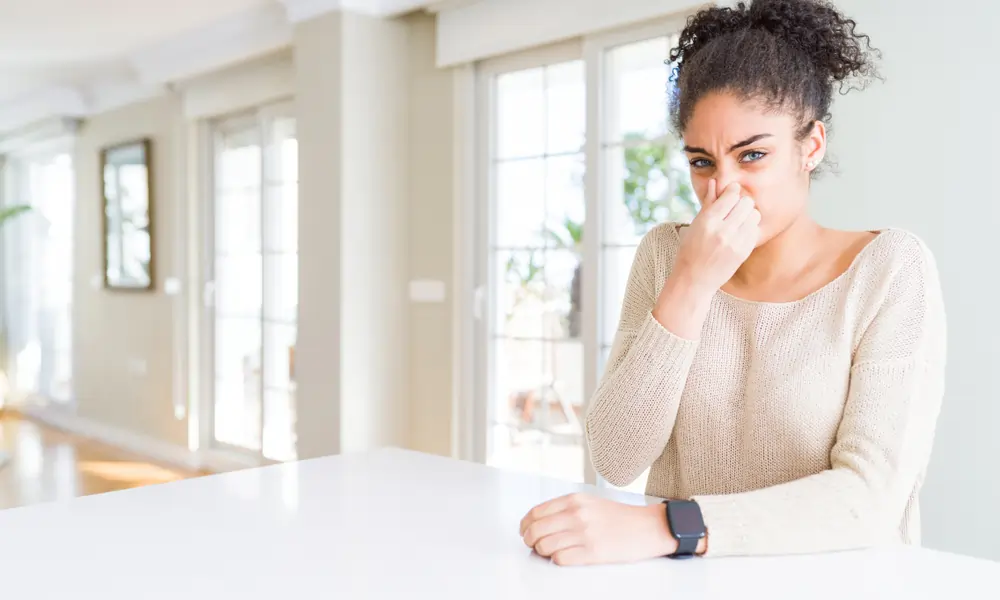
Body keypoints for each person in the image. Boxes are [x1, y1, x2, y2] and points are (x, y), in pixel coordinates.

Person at [519, 0, 946, 566]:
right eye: (702, 162)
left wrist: (672, 526)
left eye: (752, 156)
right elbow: (617, 456)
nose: (724, 190)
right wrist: (691, 282)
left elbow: (870, 499)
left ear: (810, 146)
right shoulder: (666, 256)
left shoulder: (890, 270)